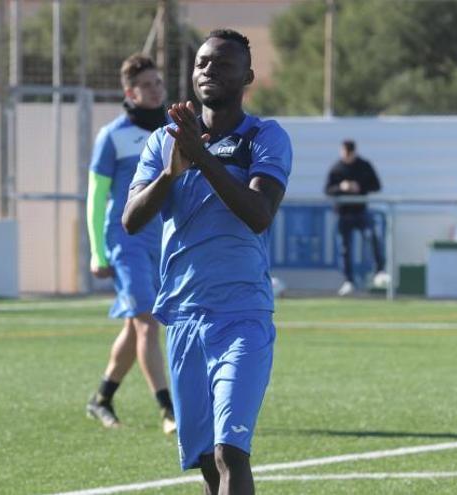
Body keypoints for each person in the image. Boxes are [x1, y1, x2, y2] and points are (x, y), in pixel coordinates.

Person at [123, 29, 291, 494]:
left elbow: (258, 214)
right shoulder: (164, 141)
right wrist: (172, 171)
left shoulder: (265, 137)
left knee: (230, 451)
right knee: (207, 463)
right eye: (201, 63)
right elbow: (132, 220)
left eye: (222, 63)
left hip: (242, 316)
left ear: (248, 76)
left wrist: (202, 158)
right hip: (184, 318)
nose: (209, 71)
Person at [84, 53, 175, 434]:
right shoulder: (113, 135)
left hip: (165, 241)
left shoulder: (174, 129)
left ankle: (101, 398)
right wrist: (96, 251)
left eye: (158, 83)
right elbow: (95, 195)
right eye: (147, 85)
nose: (156, 90)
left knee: (135, 326)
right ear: (130, 92)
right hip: (126, 242)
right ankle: (169, 411)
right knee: (148, 325)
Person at [324, 140, 388, 296]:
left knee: (372, 237)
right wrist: (341, 187)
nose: (346, 156)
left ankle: (379, 271)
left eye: (349, 153)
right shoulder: (336, 168)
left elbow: (377, 185)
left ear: (353, 152)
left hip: (361, 212)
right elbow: (328, 190)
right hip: (343, 214)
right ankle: (348, 280)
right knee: (344, 248)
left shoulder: (364, 165)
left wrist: (359, 187)